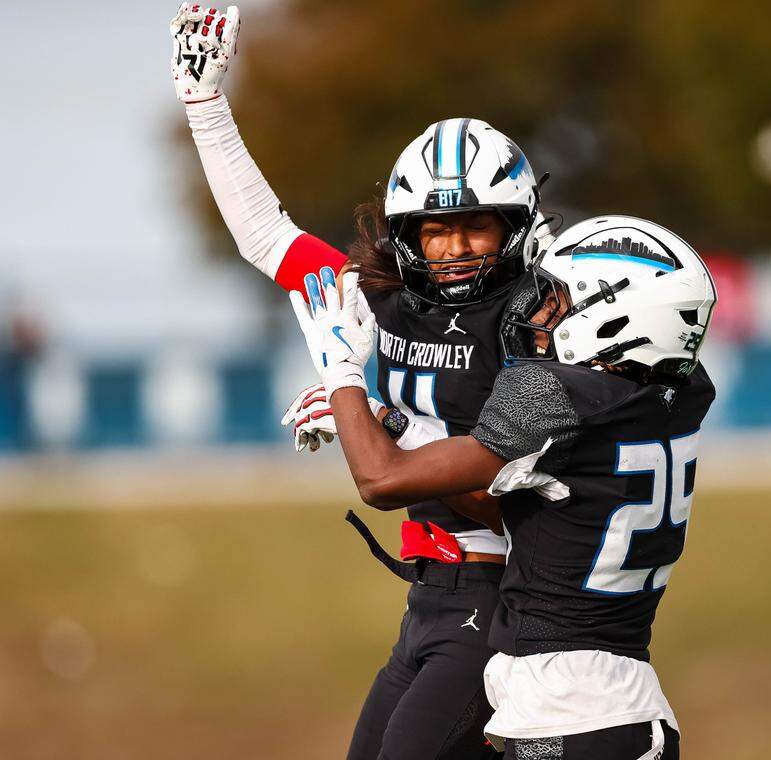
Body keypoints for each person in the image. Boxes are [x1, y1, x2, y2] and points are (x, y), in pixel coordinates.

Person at [169, 5, 554, 757]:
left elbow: (519, 516)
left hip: (498, 596)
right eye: (436, 230)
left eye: (476, 226)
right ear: (406, 234)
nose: (454, 249)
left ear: (516, 226)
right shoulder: (380, 299)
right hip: (428, 597)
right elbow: (270, 238)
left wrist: (387, 423)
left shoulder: (536, 328)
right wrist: (205, 107)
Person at [294, 216, 717, 760]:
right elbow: (506, 503)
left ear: (616, 314)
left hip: (572, 710)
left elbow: (382, 480)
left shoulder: (563, 396)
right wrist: (386, 419)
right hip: (601, 704)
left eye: (559, 299)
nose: (537, 312)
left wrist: (341, 375)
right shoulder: (674, 395)